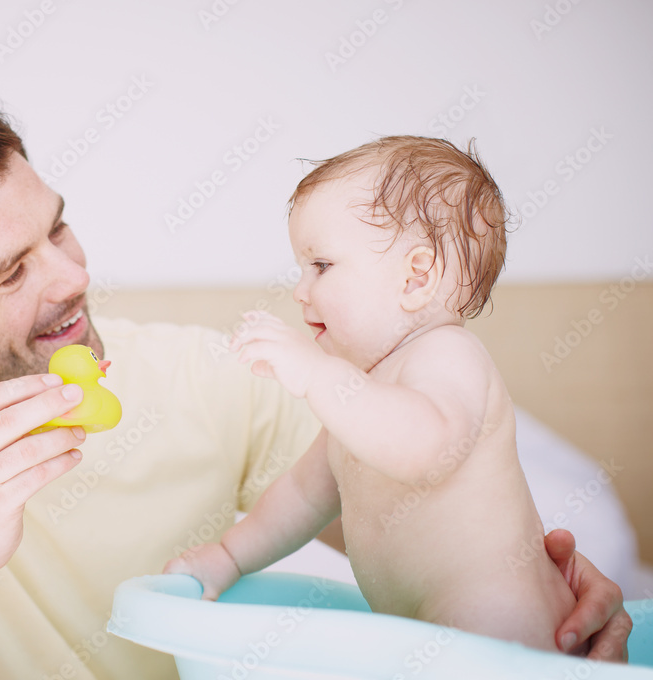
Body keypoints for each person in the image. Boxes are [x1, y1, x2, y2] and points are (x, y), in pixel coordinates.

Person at [0, 100, 630, 679]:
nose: (71, 277)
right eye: (11, 273)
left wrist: (557, 594)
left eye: (60, 230)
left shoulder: (209, 375)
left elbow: (423, 495)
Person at [163, 136, 615, 652]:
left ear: (415, 277)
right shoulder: (361, 390)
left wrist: (316, 375)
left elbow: (426, 450)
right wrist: (230, 555)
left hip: (502, 629)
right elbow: (304, 495)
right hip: (428, 635)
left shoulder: (448, 354)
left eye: (322, 266)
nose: (300, 290)